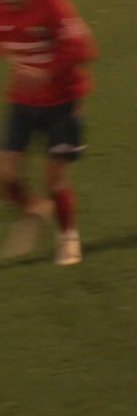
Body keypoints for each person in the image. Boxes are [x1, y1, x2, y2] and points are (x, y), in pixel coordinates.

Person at [0, 0, 97, 265]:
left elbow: (84, 49)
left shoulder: (52, 6)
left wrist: (45, 74)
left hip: (63, 102)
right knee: (6, 174)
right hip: (24, 102)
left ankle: (68, 236)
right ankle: (35, 207)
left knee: (54, 180)